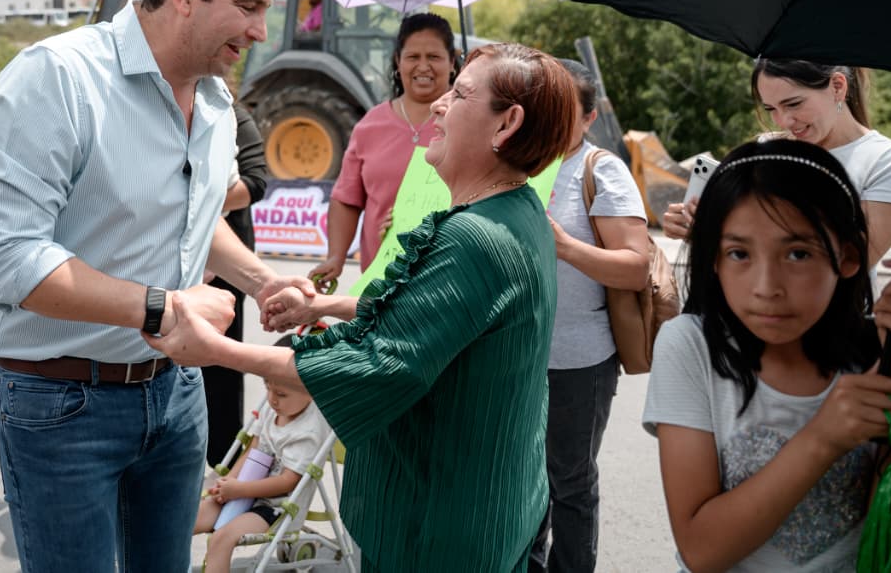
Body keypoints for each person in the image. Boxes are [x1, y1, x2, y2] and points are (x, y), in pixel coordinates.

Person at [0, 0, 313, 573]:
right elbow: (5, 255)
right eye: (246, 6)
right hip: (62, 402)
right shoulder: (58, 79)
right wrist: (165, 307)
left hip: (176, 396)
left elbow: (195, 215)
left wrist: (263, 281)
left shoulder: (212, 99)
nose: (258, 30)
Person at [147, 43, 578, 573]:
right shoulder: (513, 210)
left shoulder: (475, 237)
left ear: (506, 124)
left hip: (440, 526)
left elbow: (376, 366)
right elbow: (423, 314)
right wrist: (322, 305)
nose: (439, 104)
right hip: (485, 504)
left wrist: (216, 349)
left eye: (460, 93)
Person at [642, 139, 891, 572]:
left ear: (847, 257)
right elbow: (701, 550)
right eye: (739, 254)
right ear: (713, 259)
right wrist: (822, 439)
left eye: (798, 253)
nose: (766, 286)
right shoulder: (690, 346)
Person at [529, 60, 649, 573]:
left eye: (564, 110)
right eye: (542, 105)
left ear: (589, 116)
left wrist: (565, 247)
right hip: (518, 354)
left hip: (579, 359)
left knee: (569, 482)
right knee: (522, 483)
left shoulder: (601, 170)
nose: (550, 119)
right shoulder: (519, 160)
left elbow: (635, 268)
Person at [662, 59, 891, 273]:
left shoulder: (889, 160)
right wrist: (701, 227)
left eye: (794, 104)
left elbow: (851, 263)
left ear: (838, 86)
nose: (784, 121)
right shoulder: (766, 147)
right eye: (771, 108)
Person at [309, 12, 457, 285]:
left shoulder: (468, 121)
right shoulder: (371, 125)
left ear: (452, 61)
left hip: (449, 278)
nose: (423, 66)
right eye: (413, 57)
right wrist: (335, 257)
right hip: (381, 282)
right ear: (398, 62)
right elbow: (347, 198)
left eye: (434, 57)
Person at [194, 367, 331, 573]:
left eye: (282, 394)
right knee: (188, 517)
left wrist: (239, 489)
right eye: (268, 388)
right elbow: (253, 450)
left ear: (311, 390)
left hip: (274, 507)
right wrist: (228, 482)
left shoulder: (308, 431)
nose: (272, 399)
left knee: (221, 539)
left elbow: (287, 481)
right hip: (242, 490)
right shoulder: (272, 409)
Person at [204, 101, 269, 466]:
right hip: (167, 272)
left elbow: (255, 181)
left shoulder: (231, 116)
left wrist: (195, 200)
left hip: (227, 264)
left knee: (221, 364)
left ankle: (223, 459)